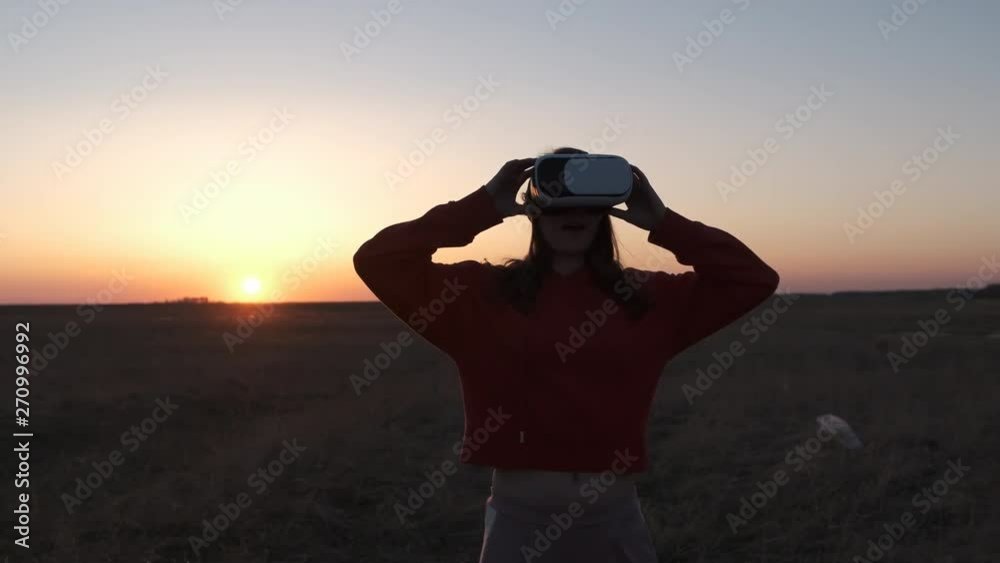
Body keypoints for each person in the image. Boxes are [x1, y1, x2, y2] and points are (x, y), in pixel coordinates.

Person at [353, 147, 780, 562]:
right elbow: (378, 261)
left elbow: (752, 280)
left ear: (606, 212)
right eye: (558, 200)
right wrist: (480, 207)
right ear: (535, 211)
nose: (574, 214)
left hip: (615, 520)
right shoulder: (481, 296)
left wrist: (664, 222)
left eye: (589, 203)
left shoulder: (646, 298)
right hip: (518, 523)